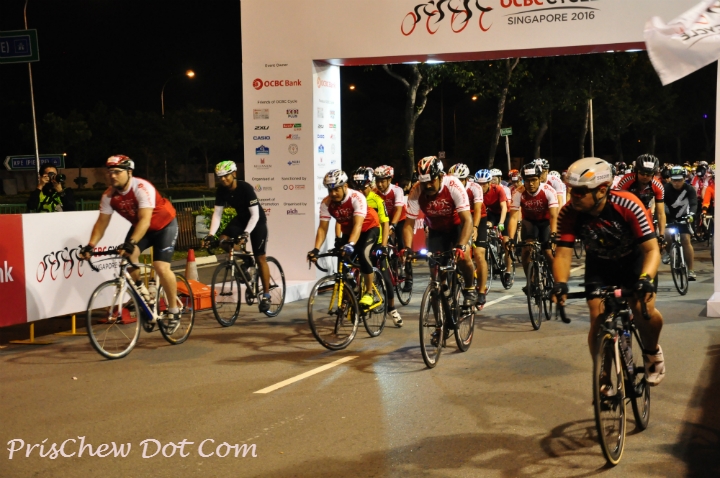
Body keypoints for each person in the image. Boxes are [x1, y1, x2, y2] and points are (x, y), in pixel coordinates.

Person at [553, 157, 665, 388]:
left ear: (602, 190)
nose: (573, 196)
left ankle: (652, 351)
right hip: (600, 264)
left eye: (580, 192)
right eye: (571, 190)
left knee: (643, 310)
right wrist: (560, 284)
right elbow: (563, 254)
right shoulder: (569, 213)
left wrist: (645, 279)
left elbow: (652, 250)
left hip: (635, 260)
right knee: (597, 317)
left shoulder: (629, 204)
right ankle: (603, 372)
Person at [81, 155, 181, 323]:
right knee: (127, 256)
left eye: (117, 172)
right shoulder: (108, 196)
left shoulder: (141, 188)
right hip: (142, 228)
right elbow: (101, 223)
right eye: (110, 172)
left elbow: (145, 220)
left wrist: (131, 242)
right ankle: (142, 291)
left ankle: (173, 309)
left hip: (164, 225)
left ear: (129, 172)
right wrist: (90, 245)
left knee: (161, 267)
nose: (113, 176)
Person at [402, 156, 478, 307]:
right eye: (424, 182)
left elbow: (467, 220)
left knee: (463, 257)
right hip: (436, 229)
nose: (428, 185)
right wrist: (407, 248)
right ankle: (441, 304)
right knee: (435, 271)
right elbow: (408, 225)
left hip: (457, 226)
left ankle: (470, 288)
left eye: (431, 180)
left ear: (441, 176)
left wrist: (461, 246)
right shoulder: (416, 190)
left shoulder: (453, 185)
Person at [202, 161, 274, 313]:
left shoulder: (245, 188)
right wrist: (210, 235)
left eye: (226, 176)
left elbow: (254, 215)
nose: (223, 179)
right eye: (220, 177)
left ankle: (266, 295)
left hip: (257, 221)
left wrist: (246, 233)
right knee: (223, 240)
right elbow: (217, 214)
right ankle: (247, 259)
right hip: (241, 219)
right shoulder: (221, 190)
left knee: (260, 257)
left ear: (234, 174)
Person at [308, 169, 380, 308]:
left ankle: (369, 293)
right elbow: (322, 228)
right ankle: (352, 289)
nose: (333, 193)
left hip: (368, 228)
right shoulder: (326, 203)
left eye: (336, 189)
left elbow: (358, 225)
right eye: (330, 190)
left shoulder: (357, 197)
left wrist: (350, 244)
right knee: (342, 261)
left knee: (363, 254)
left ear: (345, 186)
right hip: (349, 230)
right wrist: (316, 249)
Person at [351, 166, 402, 326]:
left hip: (377, 241)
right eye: (357, 187)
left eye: (363, 187)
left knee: (385, 276)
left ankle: (392, 308)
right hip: (361, 239)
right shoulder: (354, 199)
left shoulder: (377, 200)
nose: (360, 190)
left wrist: (384, 245)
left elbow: (385, 223)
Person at [507, 162, 559, 287]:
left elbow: (553, 216)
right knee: (526, 250)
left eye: (534, 180)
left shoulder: (549, 191)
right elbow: (513, 217)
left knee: (548, 252)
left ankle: (556, 281)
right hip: (530, 221)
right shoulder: (518, 192)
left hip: (546, 222)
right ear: (523, 180)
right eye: (527, 180)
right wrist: (511, 238)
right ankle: (530, 282)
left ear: (540, 179)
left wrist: (553, 234)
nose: (531, 184)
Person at [449, 163, 488, 305]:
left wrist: (475, 228)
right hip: (460, 218)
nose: (457, 183)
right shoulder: (450, 187)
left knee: (479, 254)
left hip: (477, 218)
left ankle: (481, 291)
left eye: (460, 180)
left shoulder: (475, 188)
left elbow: (477, 210)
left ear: (466, 179)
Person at [374, 165, 412, 292]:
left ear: (389, 180)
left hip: (399, 219)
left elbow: (398, 210)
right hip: (385, 221)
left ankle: (408, 278)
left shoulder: (397, 190)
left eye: (382, 181)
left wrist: (393, 225)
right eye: (377, 181)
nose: (379, 184)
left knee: (402, 247)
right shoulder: (374, 192)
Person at [616, 154, 666, 238]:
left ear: (653, 174)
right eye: (642, 173)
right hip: (627, 216)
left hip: (646, 216)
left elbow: (661, 213)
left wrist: (661, 235)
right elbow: (617, 207)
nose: (645, 177)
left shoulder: (658, 185)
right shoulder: (625, 181)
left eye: (649, 174)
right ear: (636, 171)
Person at [475, 169, 513, 276]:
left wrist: (501, 223)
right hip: (491, 213)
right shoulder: (477, 192)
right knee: (487, 226)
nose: (481, 187)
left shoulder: (498, 189)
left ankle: (508, 271)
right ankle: (492, 250)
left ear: (489, 183)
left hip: (504, 213)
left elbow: (504, 207)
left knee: (506, 242)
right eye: (479, 184)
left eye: (484, 184)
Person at [663, 166, 698, 280]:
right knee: (667, 234)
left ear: (684, 179)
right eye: (674, 180)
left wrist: (691, 215)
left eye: (679, 180)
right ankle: (669, 253)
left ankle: (691, 270)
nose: (676, 183)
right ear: (670, 179)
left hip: (685, 217)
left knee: (685, 240)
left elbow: (693, 203)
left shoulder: (689, 189)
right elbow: (659, 204)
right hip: (669, 216)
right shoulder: (665, 189)